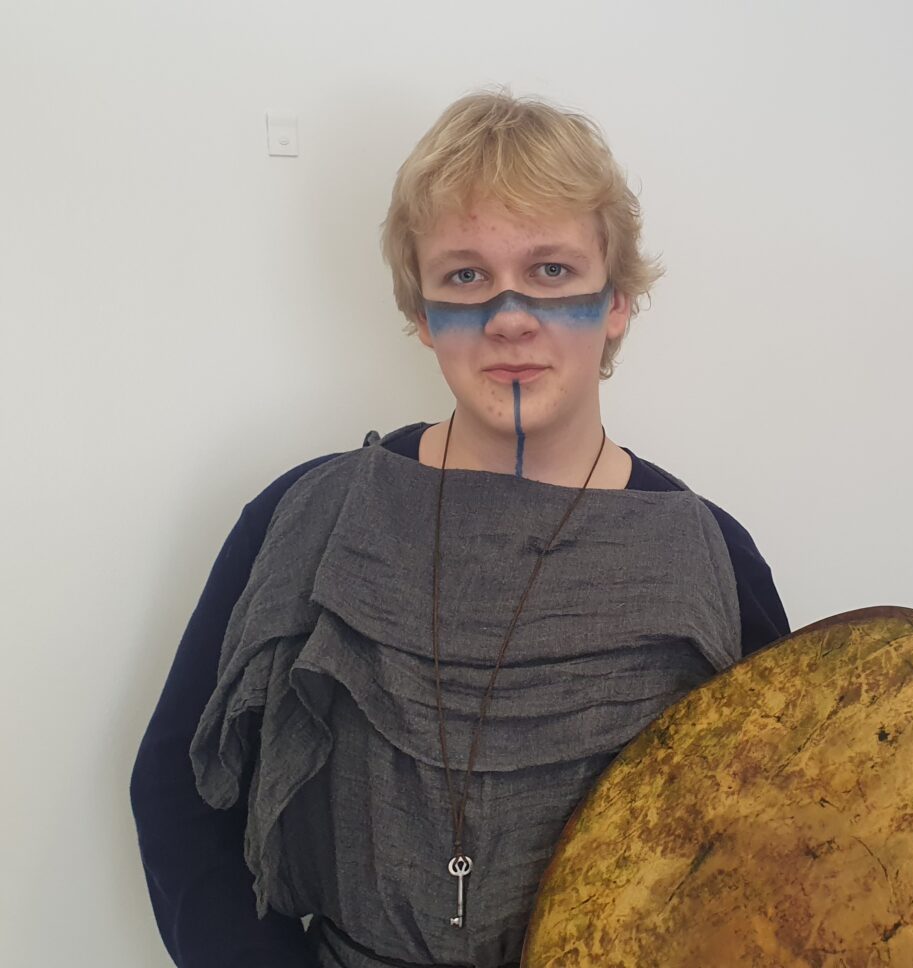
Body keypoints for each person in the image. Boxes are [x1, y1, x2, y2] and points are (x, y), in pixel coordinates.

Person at [130, 90, 789, 968]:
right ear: (422, 314)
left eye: (550, 270)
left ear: (617, 301)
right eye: (466, 277)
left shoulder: (711, 560)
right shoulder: (306, 520)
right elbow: (179, 795)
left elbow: (780, 853)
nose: (509, 317)